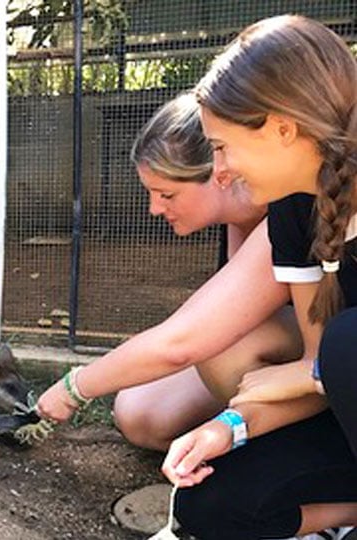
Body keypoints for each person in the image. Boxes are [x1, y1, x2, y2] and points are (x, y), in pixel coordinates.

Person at [156, 15, 357, 539]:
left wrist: (313, 373)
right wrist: (228, 427)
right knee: (207, 504)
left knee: (348, 344)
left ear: (281, 128)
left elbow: (326, 366)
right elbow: (319, 367)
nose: (218, 171)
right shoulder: (294, 205)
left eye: (221, 147)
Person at [35, 93, 301, 450]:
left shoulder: (284, 211)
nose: (154, 209)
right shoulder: (236, 217)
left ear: (219, 174)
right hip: (291, 352)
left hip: (331, 361)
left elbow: (185, 342)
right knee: (140, 414)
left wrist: (74, 388)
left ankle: (284, 453)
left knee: (222, 344)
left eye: (167, 195)